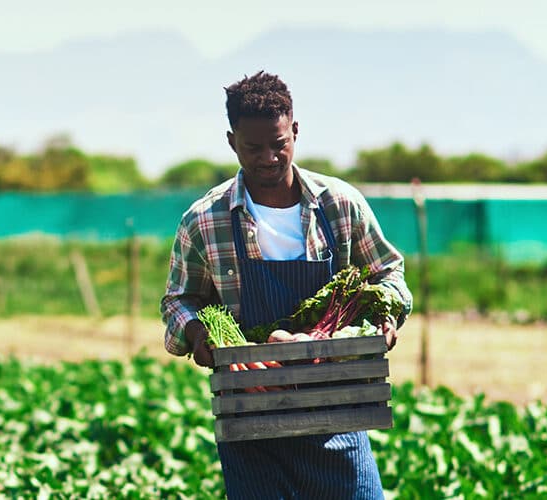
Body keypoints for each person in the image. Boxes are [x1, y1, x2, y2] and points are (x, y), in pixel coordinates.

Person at [160, 70, 413, 499]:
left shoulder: (339, 205)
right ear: (231, 141)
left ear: (295, 131)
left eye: (279, 144)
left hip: (336, 408)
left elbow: (389, 273)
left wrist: (384, 316)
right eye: (252, 148)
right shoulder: (204, 219)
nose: (268, 158)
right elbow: (178, 300)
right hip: (249, 418)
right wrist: (196, 334)